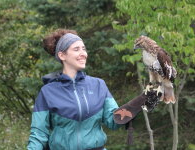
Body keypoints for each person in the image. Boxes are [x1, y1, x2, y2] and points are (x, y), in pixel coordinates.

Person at [27, 29, 161, 150]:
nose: (83, 54)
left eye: (84, 49)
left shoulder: (98, 85)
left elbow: (113, 120)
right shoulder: (48, 92)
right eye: (76, 49)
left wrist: (142, 100)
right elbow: (39, 134)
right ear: (62, 55)